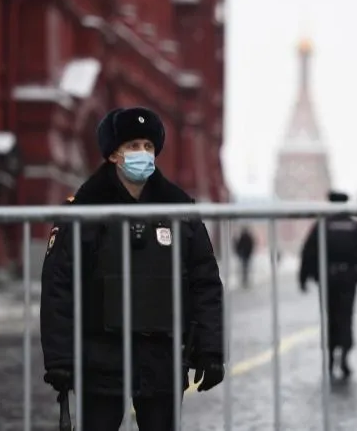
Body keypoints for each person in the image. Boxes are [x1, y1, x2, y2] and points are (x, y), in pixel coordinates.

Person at [39, 107, 225, 431]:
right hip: (100, 358)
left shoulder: (178, 209)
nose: (143, 154)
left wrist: (210, 350)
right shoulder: (85, 210)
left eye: (148, 147)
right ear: (113, 154)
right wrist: (60, 359)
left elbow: (204, 281)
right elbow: (59, 285)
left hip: (162, 360)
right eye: (133, 146)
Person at [299, 191, 357, 379]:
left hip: (327, 279)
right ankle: (344, 357)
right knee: (346, 317)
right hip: (348, 280)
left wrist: (305, 277)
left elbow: (309, 252)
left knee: (330, 318)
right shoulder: (356, 227)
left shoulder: (323, 226)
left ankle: (330, 358)